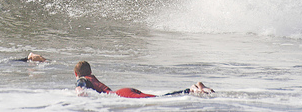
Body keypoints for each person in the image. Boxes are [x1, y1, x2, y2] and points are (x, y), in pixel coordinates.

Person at [74, 61, 214, 98]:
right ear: (91, 71)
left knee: (156, 98)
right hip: (124, 91)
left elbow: (80, 89)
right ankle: (192, 89)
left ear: (76, 74)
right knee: (157, 97)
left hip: (120, 95)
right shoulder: (92, 78)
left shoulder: (81, 79)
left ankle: (192, 90)